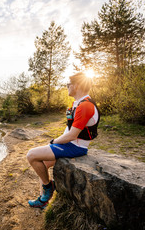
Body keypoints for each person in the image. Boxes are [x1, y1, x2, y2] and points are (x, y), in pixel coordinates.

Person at [26, 72, 100, 209]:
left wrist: (54, 142)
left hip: (74, 147)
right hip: (69, 144)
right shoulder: (77, 104)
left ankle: (48, 188)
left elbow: (72, 135)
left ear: (76, 86)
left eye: (68, 84)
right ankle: (43, 200)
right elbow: (69, 129)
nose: (67, 87)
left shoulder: (85, 106)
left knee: (31, 155)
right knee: (43, 165)